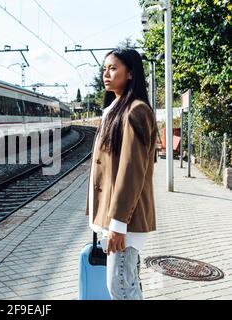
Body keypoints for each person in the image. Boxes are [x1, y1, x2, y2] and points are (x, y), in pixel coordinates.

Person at [85, 48, 158, 300]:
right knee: (126, 285)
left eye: (113, 68)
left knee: (121, 289)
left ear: (130, 74)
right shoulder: (116, 110)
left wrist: (118, 225)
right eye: (104, 69)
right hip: (118, 221)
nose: (106, 73)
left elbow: (131, 172)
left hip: (125, 222)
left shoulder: (134, 111)